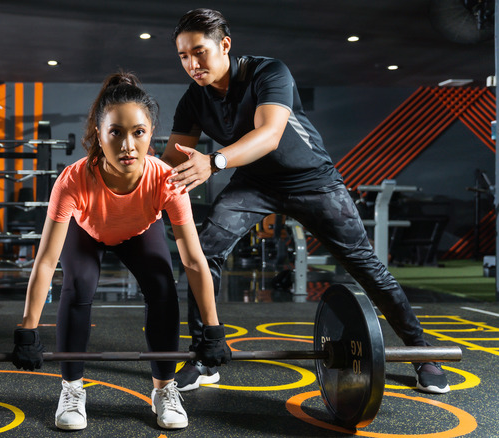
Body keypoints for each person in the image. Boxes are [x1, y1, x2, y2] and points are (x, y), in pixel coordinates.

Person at [161, 8, 449, 395]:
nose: (192, 64)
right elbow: (172, 161)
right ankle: (206, 353)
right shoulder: (193, 100)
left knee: (364, 265)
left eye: (199, 52)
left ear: (224, 45)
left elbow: (270, 134)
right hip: (254, 183)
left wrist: (214, 162)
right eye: (183, 56)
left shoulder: (268, 72)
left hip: (311, 179)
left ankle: (422, 352)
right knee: (203, 250)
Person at [10, 72, 232, 431]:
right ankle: (71, 388)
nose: (128, 145)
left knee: (162, 286)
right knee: (78, 284)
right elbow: (47, 260)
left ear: (151, 133)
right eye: (116, 133)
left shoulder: (167, 180)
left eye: (138, 133)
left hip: (139, 232)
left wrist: (213, 329)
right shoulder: (73, 180)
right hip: (87, 231)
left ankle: (164, 388)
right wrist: (28, 330)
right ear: (99, 135)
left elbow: (193, 259)